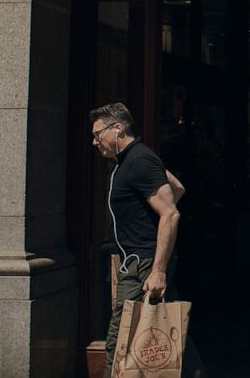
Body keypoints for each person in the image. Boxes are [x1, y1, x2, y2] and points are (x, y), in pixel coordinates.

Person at [90, 102, 199, 378]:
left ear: (118, 129)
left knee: (121, 339)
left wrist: (158, 270)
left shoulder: (138, 160)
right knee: (168, 333)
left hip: (142, 265)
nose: (94, 141)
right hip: (141, 261)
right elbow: (177, 188)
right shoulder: (132, 160)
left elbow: (171, 213)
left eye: (98, 133)